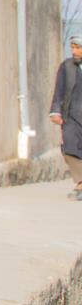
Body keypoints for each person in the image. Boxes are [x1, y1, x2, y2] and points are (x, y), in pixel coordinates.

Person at [49, 36, 82, 199]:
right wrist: (56, 111)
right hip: (72, 115)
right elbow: (59, 89)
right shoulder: (67, 67)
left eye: (78, 48)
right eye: (73, 48)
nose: (74, 51)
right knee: (70, 147)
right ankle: (81, 183)